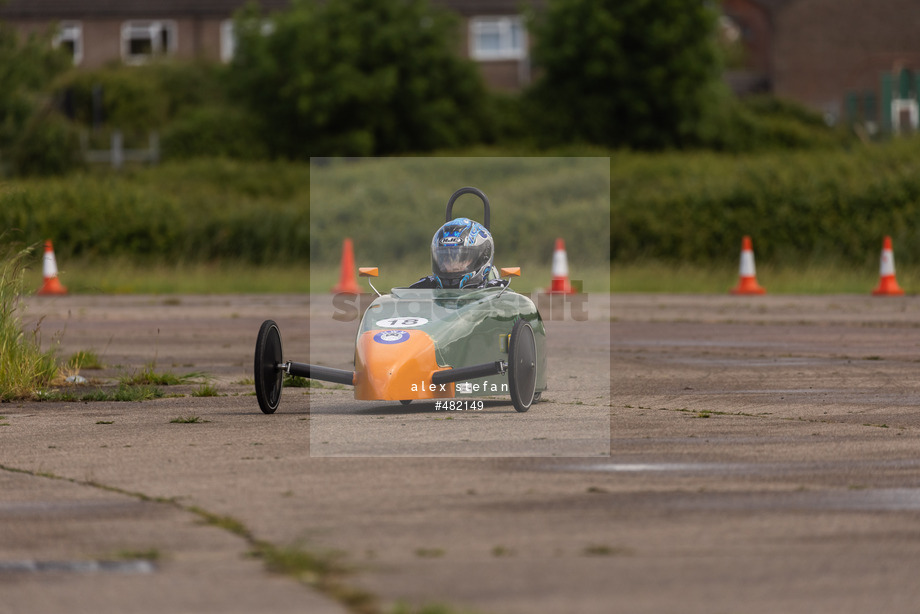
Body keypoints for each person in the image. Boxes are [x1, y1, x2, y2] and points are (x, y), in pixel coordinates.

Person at [410, 217, 507, 289]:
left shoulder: (495, 293)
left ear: (482, 258)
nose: (453, 266)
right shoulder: (426, 289)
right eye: (446, 259)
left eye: (462, 259)